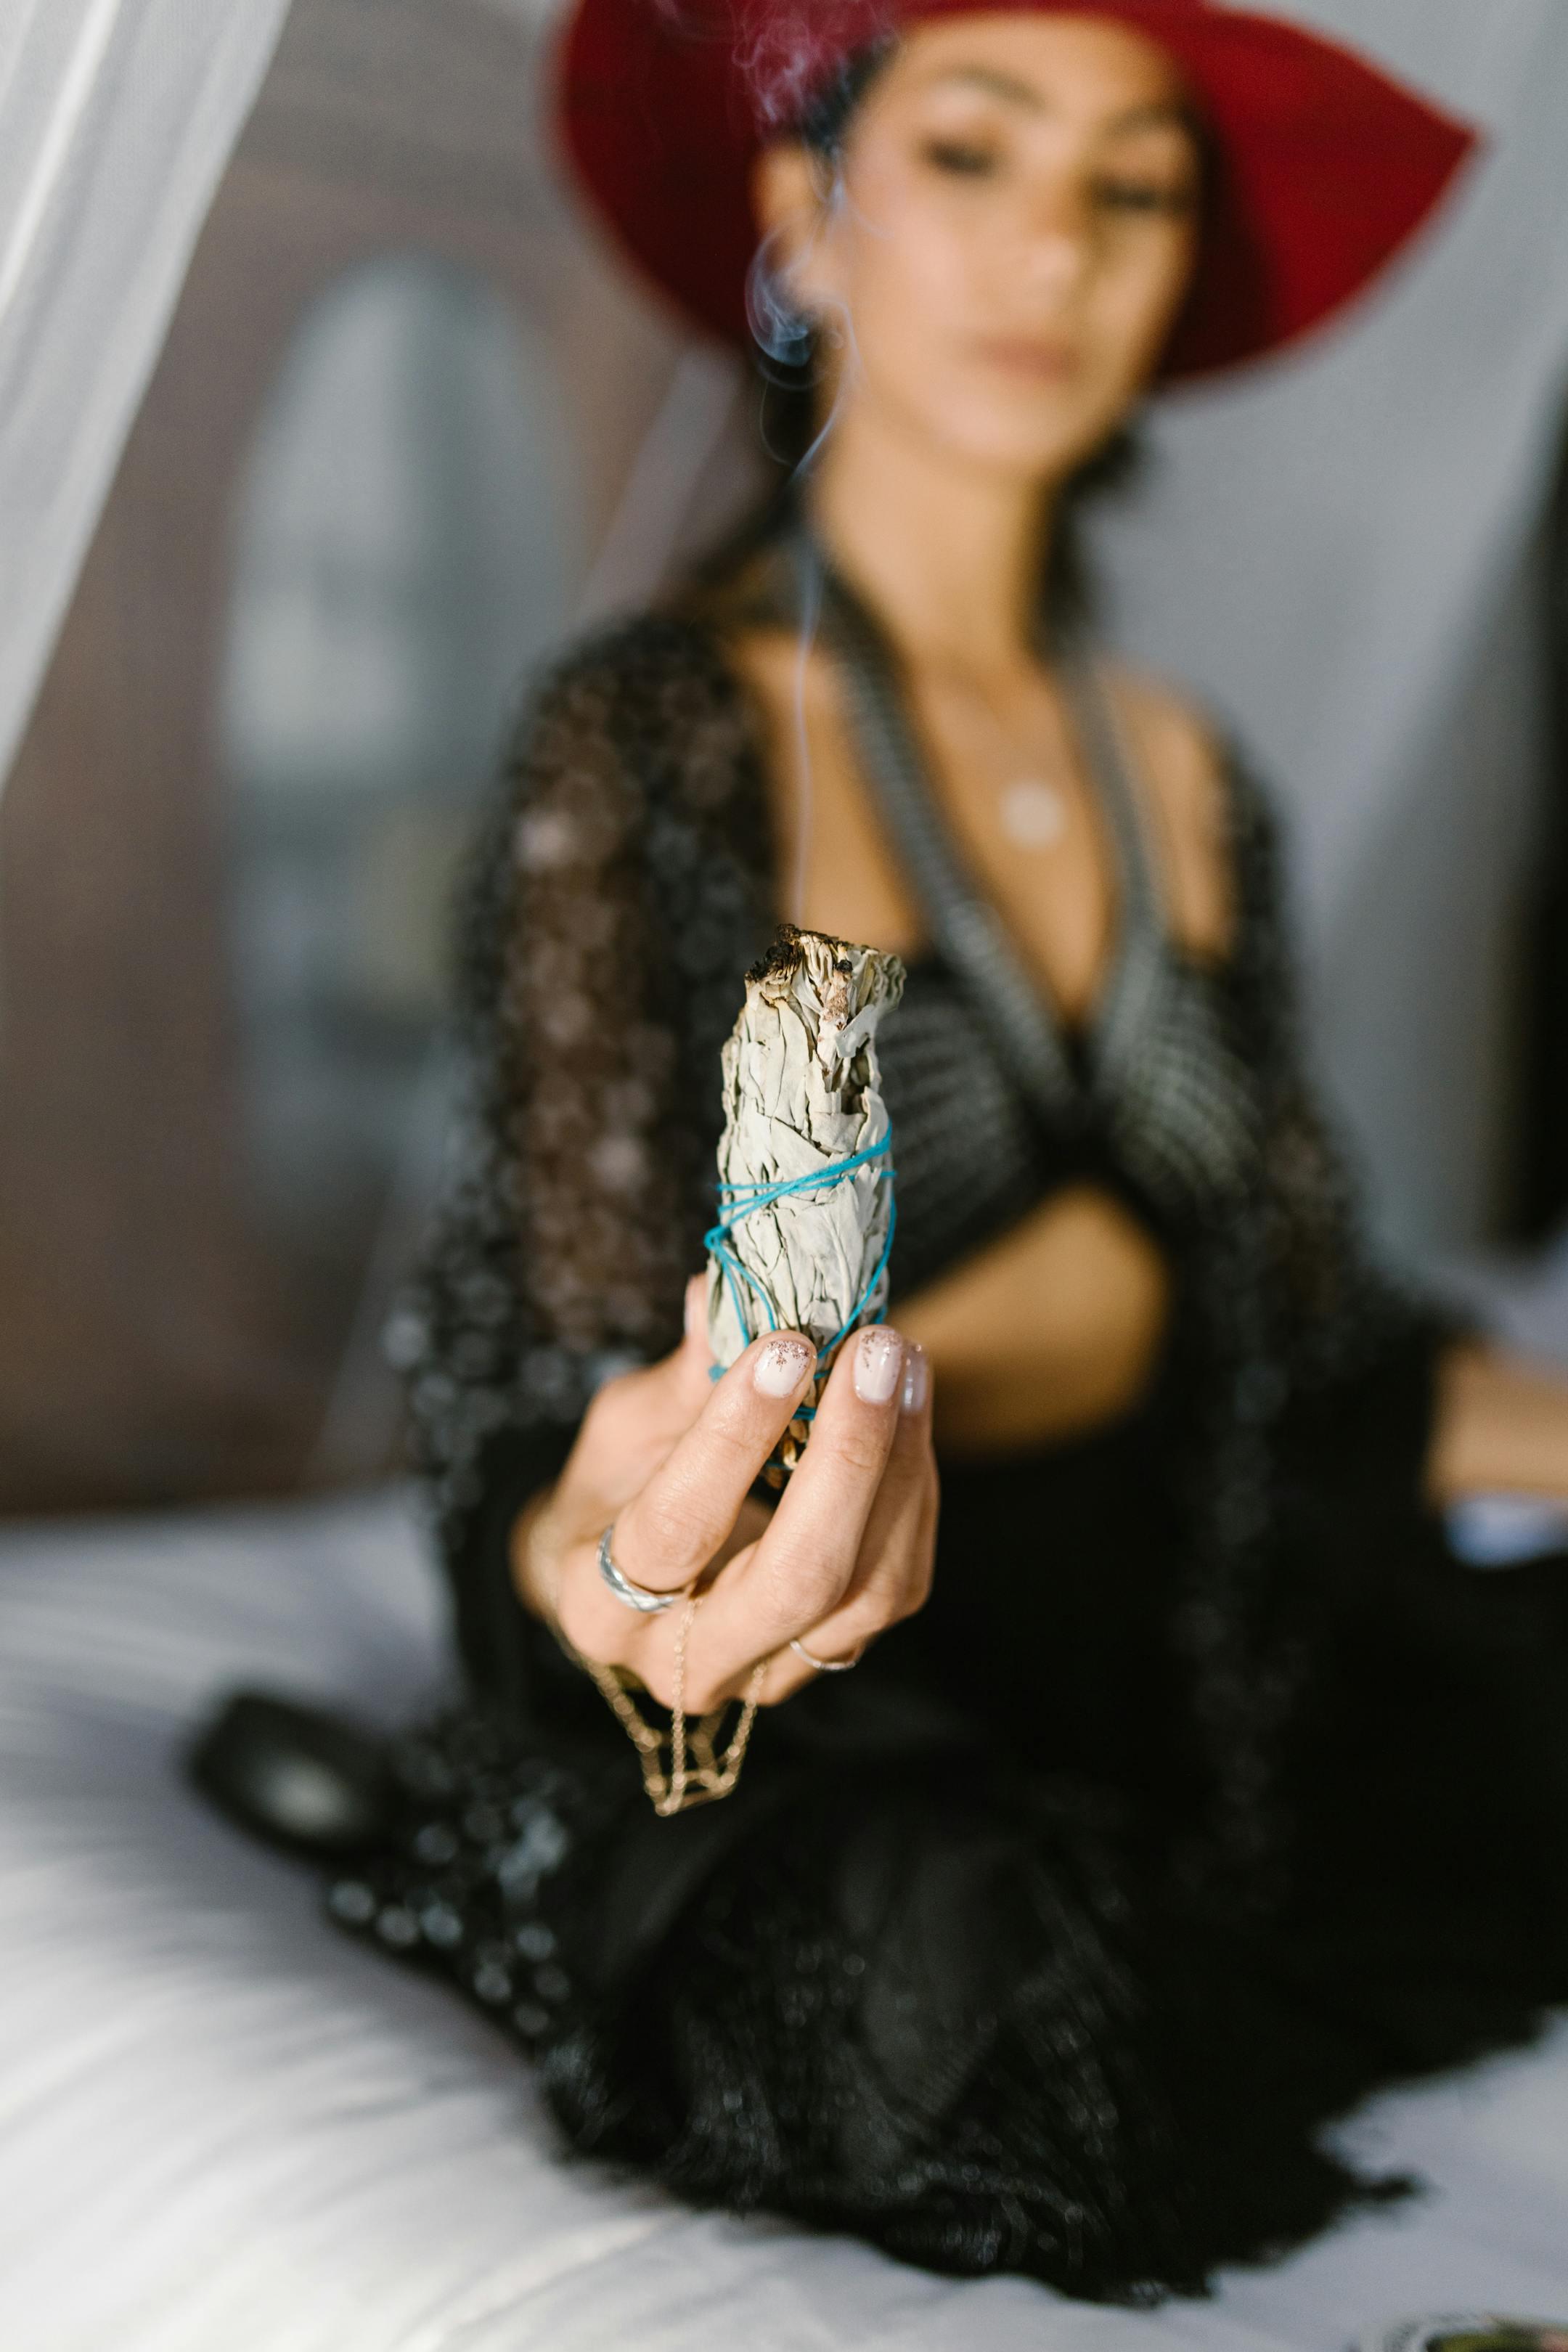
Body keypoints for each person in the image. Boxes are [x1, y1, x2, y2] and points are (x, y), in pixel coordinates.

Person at [196, 0, 1568, 2303]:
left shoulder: (1184, 776)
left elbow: (1311, 1330)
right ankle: (481, 1813)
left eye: (1132, 189)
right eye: (976, 156)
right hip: (825, 1668)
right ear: (803, 218)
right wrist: (616, 1571)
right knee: (965, 2021)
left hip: (1199, 1627)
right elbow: (566, 1369)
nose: (1056, 250)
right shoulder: (652, 735)